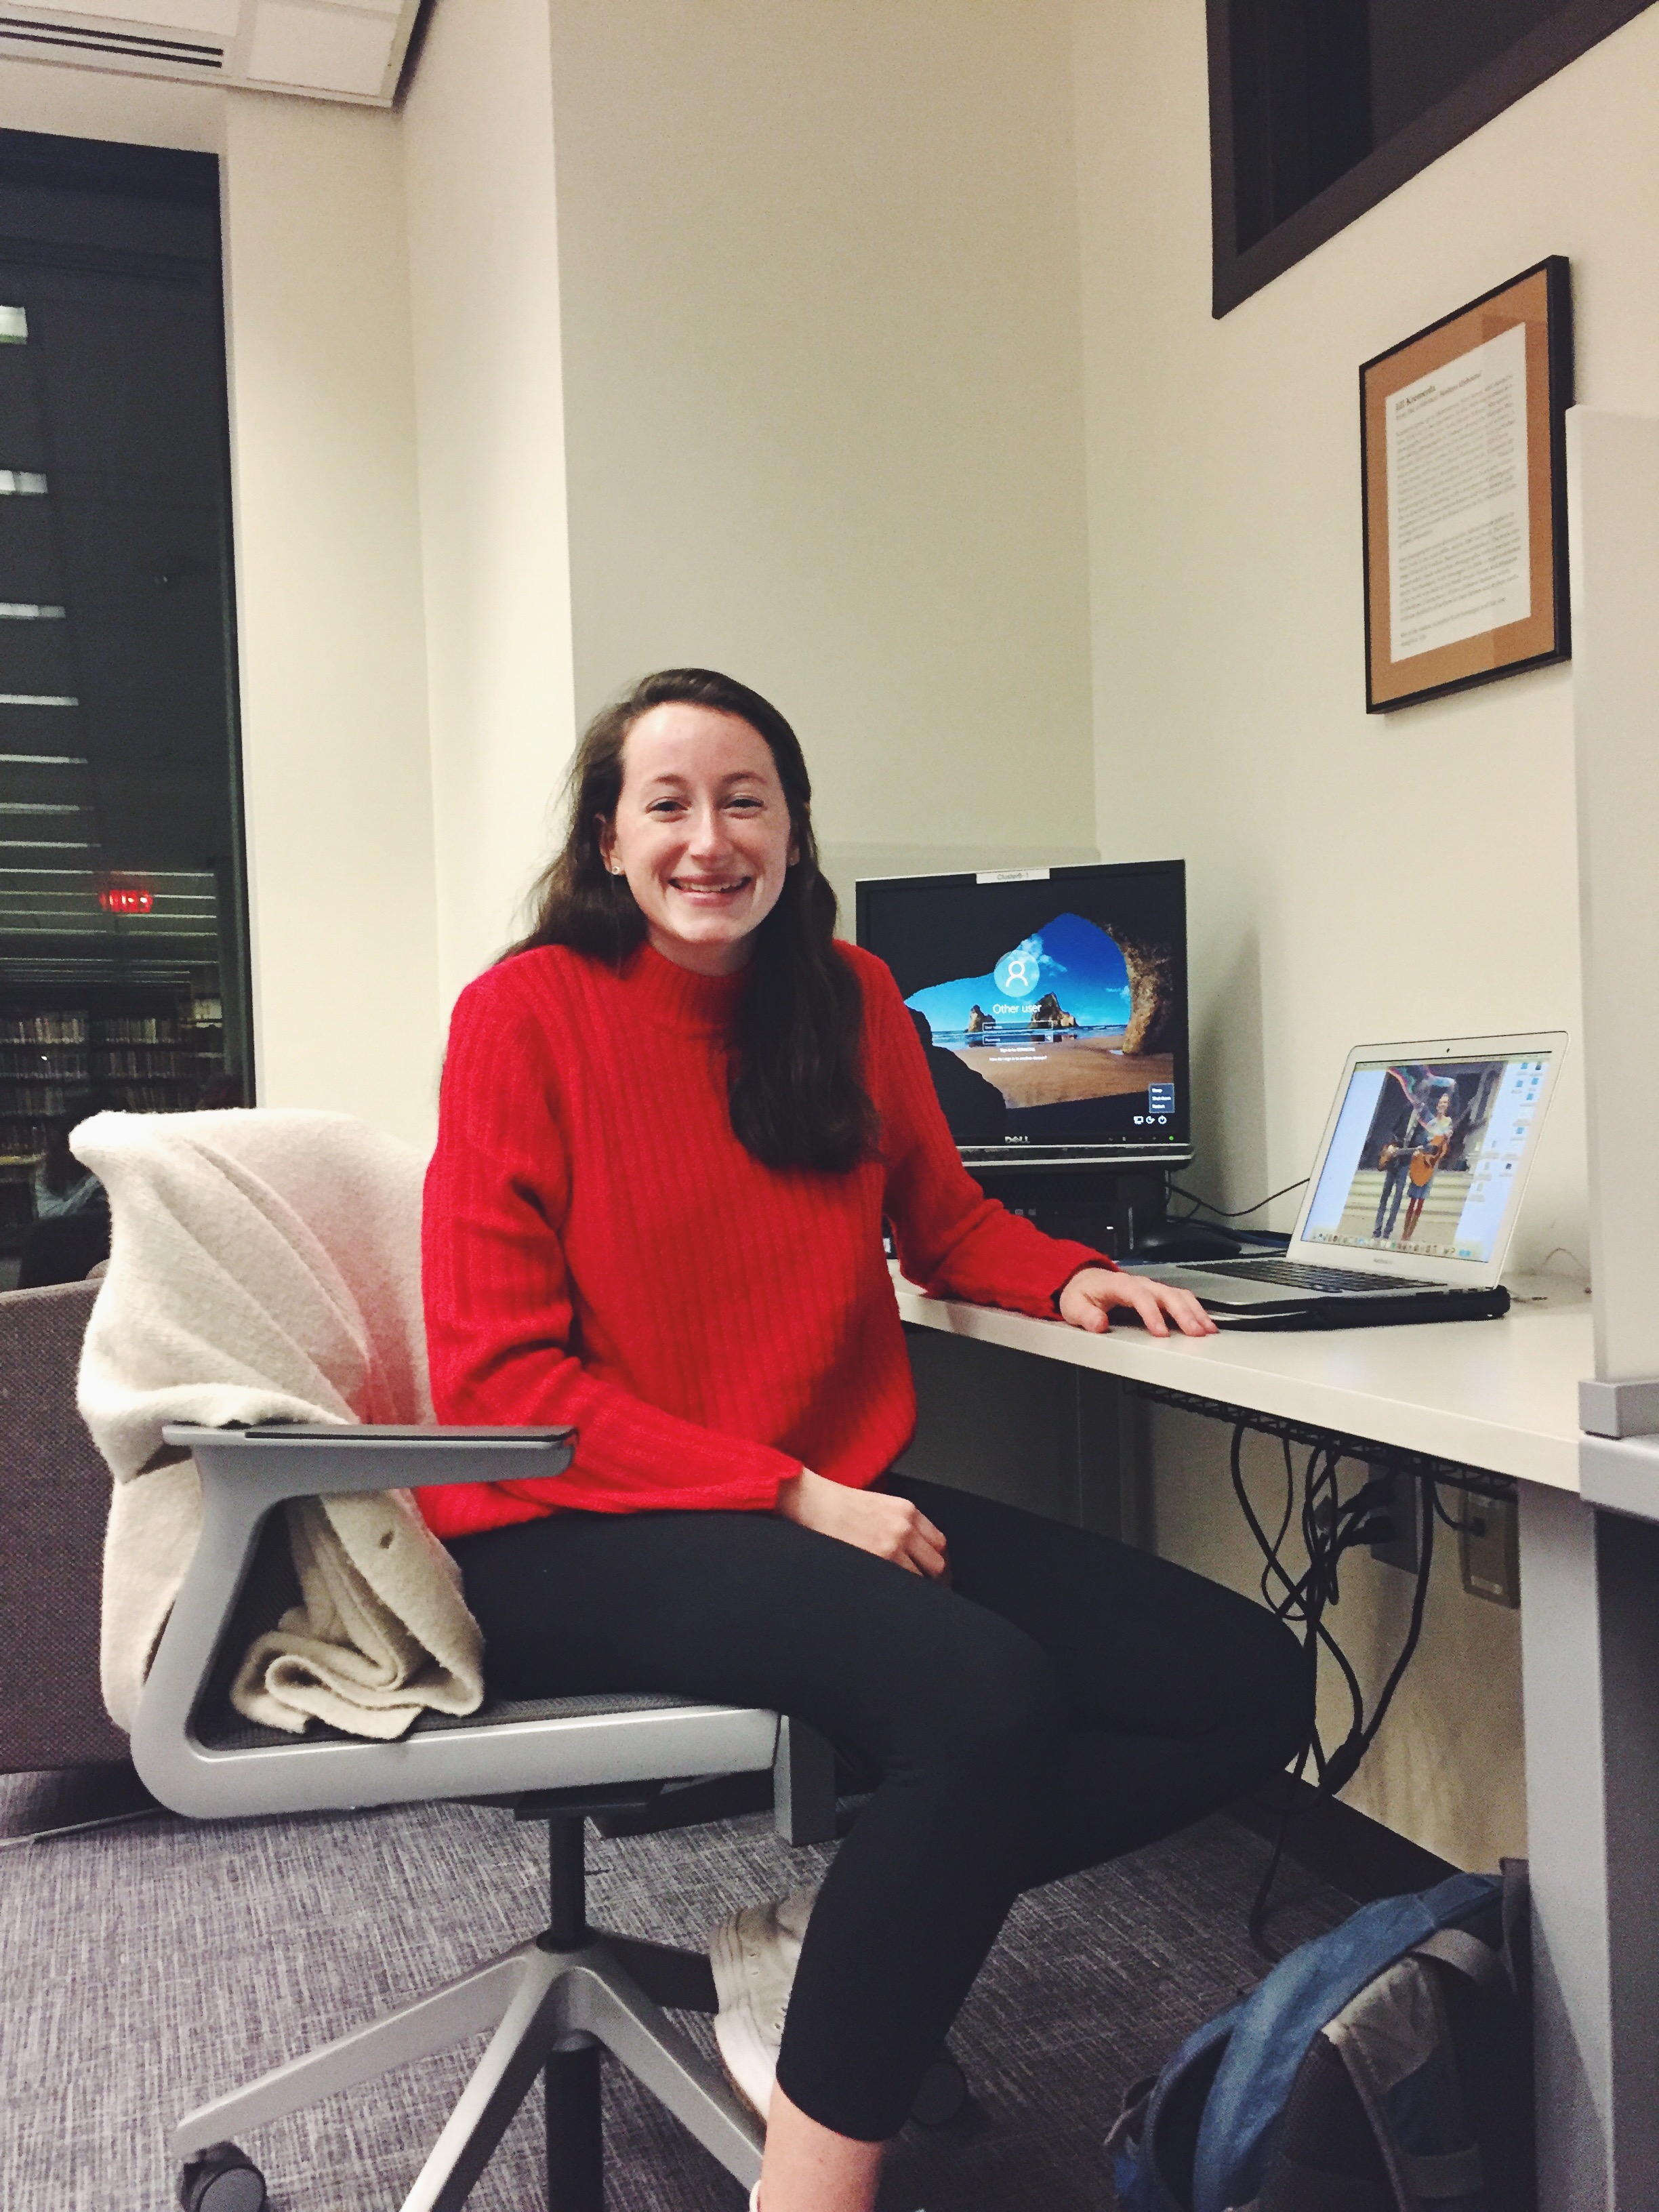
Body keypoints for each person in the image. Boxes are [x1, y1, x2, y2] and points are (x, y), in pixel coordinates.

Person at [422, 669, 1311, 2212]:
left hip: (809, 1499)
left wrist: (1074, 1271)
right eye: (670, 804)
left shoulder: (851, 1003)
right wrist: (792, 1493)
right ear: (608, 838)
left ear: (793, 826)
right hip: (566, 1525)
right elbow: (507, 1385)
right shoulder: (525, 1013)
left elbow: (947, 1221)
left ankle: (829, 1951)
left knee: (1242, 1682)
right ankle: (816, 2187)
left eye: (745, 799)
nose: (711, 839)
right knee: (980, 1697)